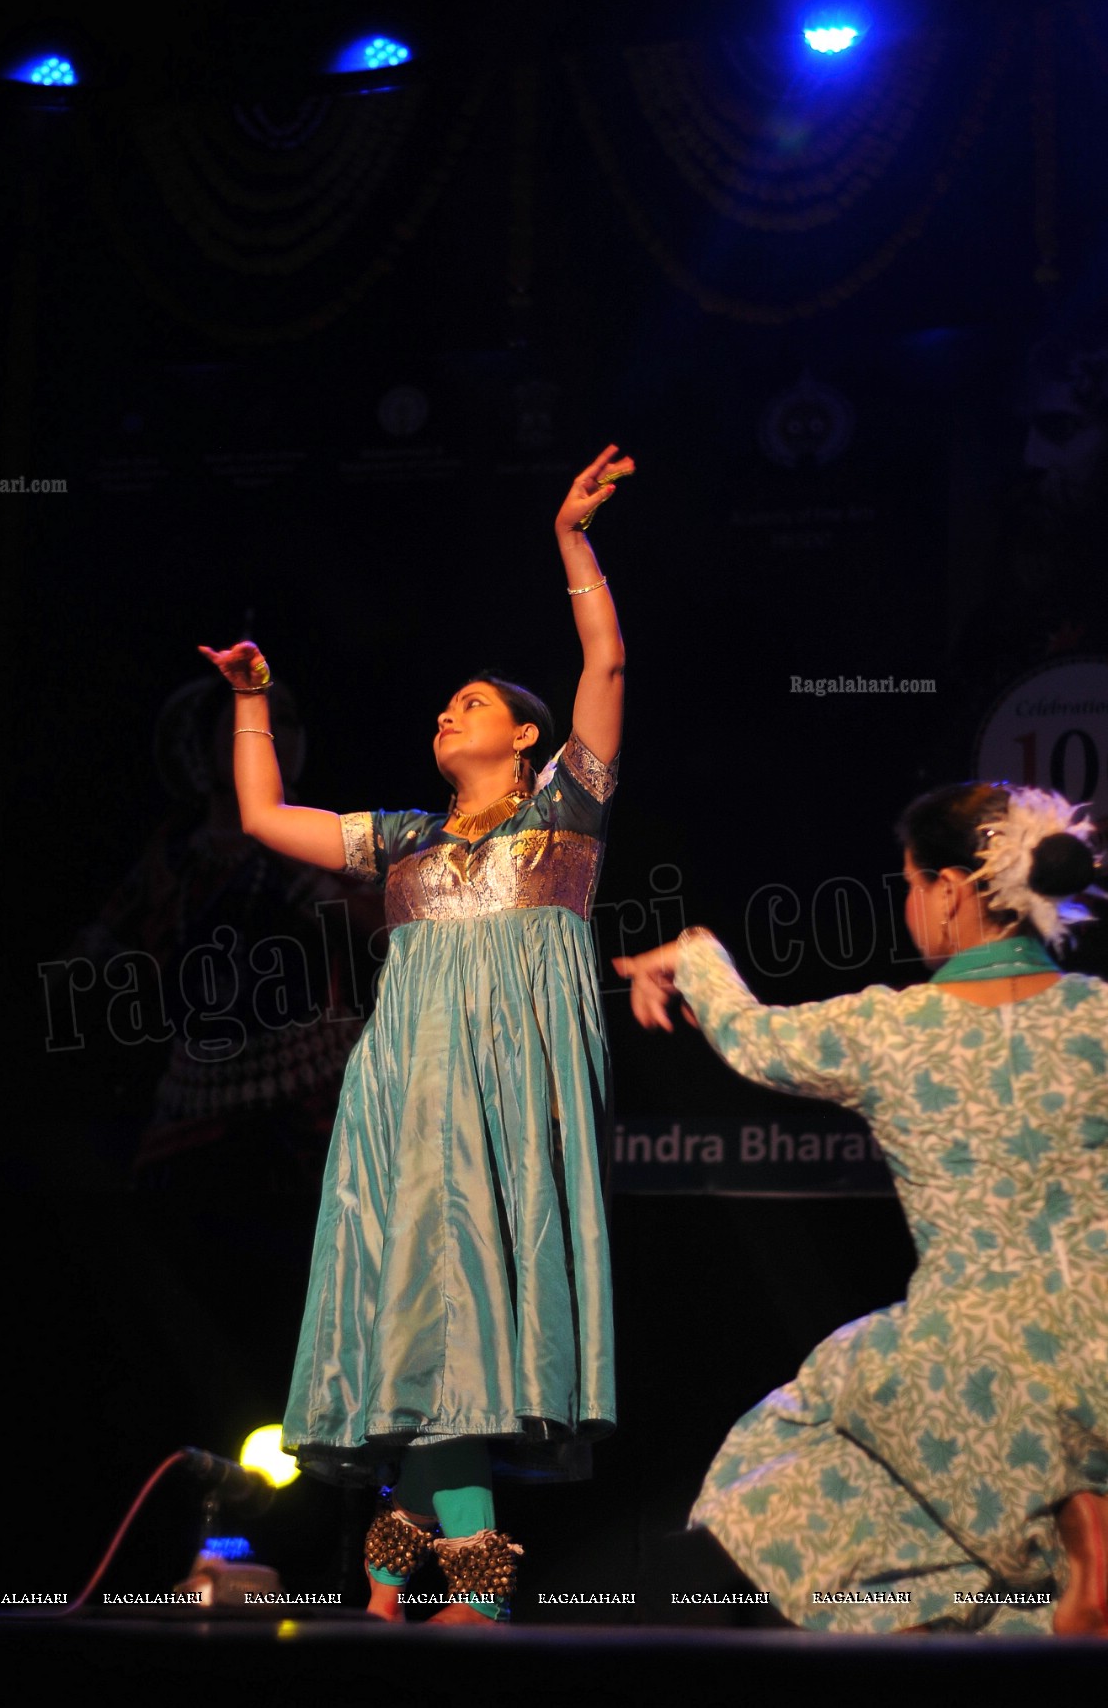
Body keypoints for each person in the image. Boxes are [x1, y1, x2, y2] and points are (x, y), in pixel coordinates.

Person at [199, 444, 631, 1623]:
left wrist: (570, 539)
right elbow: (258, 813)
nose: (449, 710)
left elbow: (605, 657)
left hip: (508, 1086)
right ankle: (400, 1593)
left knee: (463, 1328)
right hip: (406, 1088)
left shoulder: (565, 817)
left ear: (527, 743)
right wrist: (250, 704)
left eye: (475, 703)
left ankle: (459, 1596)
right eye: (446, 703)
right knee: (425, 1334)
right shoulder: (401, 841)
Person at [615, 781, 1108, 1636]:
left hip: (966, 1363)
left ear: (950, 891)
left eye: (912, 885)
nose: (911, 907)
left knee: (788, 1466)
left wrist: (693, 951)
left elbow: (750, 1038)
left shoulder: (893, 1030)